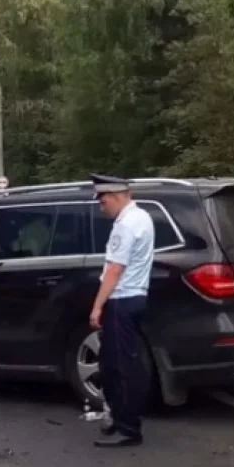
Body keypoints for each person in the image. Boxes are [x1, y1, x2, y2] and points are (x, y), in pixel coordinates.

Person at [88, 174, 154, 448]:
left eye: (103, 202)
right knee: (117, 363)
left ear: (116, 196)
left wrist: (97, 306)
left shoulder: (125, 224)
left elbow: (115, 269)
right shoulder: (143, 217)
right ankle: (120, 419)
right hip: (135, 297)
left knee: (121, 367)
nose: (101, 207)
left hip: (122, 299)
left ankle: (128, 428)